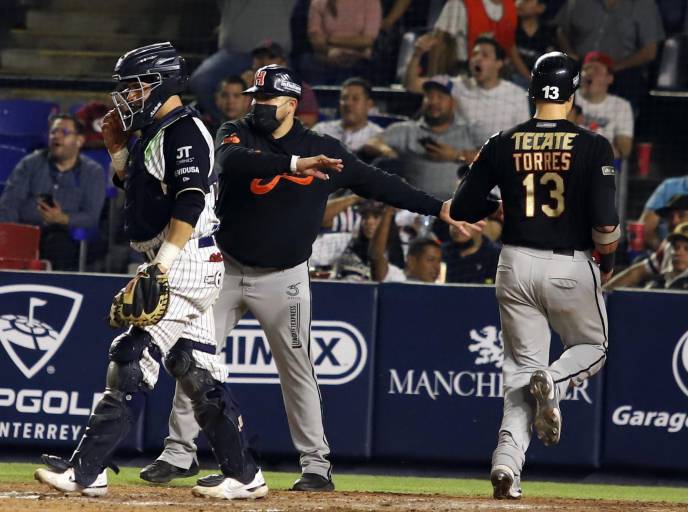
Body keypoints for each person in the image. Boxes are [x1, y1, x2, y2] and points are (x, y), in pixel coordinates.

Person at [141, 64, 477, 491]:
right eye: (255, 97)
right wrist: (295, 163)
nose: (258, 105)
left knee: (297, 370)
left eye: (267, 100)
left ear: (291, 105)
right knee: (195, 358)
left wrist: (438, 207)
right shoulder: (236, 131)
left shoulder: (322, 146)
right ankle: (178, 452)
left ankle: (317, 465)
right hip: (225, 268)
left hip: (285, 277)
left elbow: (377, 182)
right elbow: (231, 161)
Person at [31, 43, 326, 501]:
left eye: (136, 86)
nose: (127, 95)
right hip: (182, 255)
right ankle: (244, 474)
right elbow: (147, 196)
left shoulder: (184, 130)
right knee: (196, 371)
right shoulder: (157, 129)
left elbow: (189, 201)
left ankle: (86, 469)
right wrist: (115, 153)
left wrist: (162, 268)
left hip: (183, 257)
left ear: (160, 83)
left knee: (132, 356)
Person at [450, 52, 619, 499]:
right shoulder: (593, 144)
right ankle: (556, 379)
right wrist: (610, 257)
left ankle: (507, 464)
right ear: (573, 91)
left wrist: (498, 208)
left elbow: (464, 207)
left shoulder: (502, 141)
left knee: (521, 371)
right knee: (593, 348)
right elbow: (605, 223)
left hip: (514, 262)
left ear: (532, 90)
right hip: (569, 262)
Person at [0, 114, 105, 271]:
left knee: (60, 245)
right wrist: (11, 235)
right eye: (53, 132)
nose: (57, 136)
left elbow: (91, 216)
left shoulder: (93, 172)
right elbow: (10, 203)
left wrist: (62, 218)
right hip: (26, 231)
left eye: (64, 132)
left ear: (79, 140)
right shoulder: (30, 163)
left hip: (64, 235)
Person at [364, 76, 485, 200]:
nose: (433, 102)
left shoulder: (469, 130)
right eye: (429, 96)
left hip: (457, 207)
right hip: (416, 209)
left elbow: (493, 159)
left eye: (440, 97)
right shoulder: (407, 130)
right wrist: (387, 151)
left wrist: (456, 155)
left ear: (453, 102)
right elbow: (371, 143)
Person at [405, 35, 530, 140]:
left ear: (499, 63)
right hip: (459, 156)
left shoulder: (516, 94)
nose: (477, 59)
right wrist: (417, 54)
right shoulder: (457, 85)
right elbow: (412, 85)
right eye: (475, 54)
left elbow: (523, 139)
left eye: (485, 55)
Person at [189, 0, 294, 118]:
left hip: (275, 55)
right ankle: (225, 124)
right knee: (201, 80)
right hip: (234, 53)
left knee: (291, 89)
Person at [555, 0, 665, 104]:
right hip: (579, 66)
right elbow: (560, 30)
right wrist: (569, 53)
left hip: (622, 72)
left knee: (631, 80)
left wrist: (615, 68)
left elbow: (650, 51)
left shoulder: (644, 5)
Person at [604, 194, 688, 291]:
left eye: (682, 215)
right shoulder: (670, 245)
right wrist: (603, 291)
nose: (675, 221)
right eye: (671, 217)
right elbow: (638, 272)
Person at [301, 0, 382, 84]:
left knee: (354, 70)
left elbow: (367, 40)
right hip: (327, 54)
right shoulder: (318, 2)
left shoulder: (371, 2)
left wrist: (329, 39)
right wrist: (330, 50)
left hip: (359, 57)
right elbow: (316, 39)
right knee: (307, 62)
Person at [246, 40, 320, 127]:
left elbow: (307, 124)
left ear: (283, 63)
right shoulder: (243, 85)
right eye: (260, 57)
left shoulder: (301, 90)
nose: (265, 62)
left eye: (271, 57)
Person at [576, 52, 634, 158]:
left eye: (596, 70)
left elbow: (625, 150)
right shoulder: (566, 98)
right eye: (586, 69)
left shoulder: (621, 106)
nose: (589, 73)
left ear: (609, 78)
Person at [312, 77, 383, 153]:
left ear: (369, 104)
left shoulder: (378, 136)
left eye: (355, 99)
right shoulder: (321, 130)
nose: (348, 103)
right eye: (344, 98)